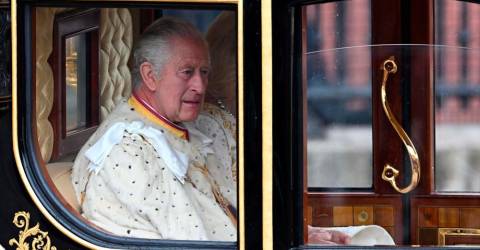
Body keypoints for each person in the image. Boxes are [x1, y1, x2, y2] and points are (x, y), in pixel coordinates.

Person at [71, 16, 236, 241]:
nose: (199, 86)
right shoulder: (128, 152)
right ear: (150, 76)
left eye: (204, 72)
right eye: (187, 72)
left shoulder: (186, 126)